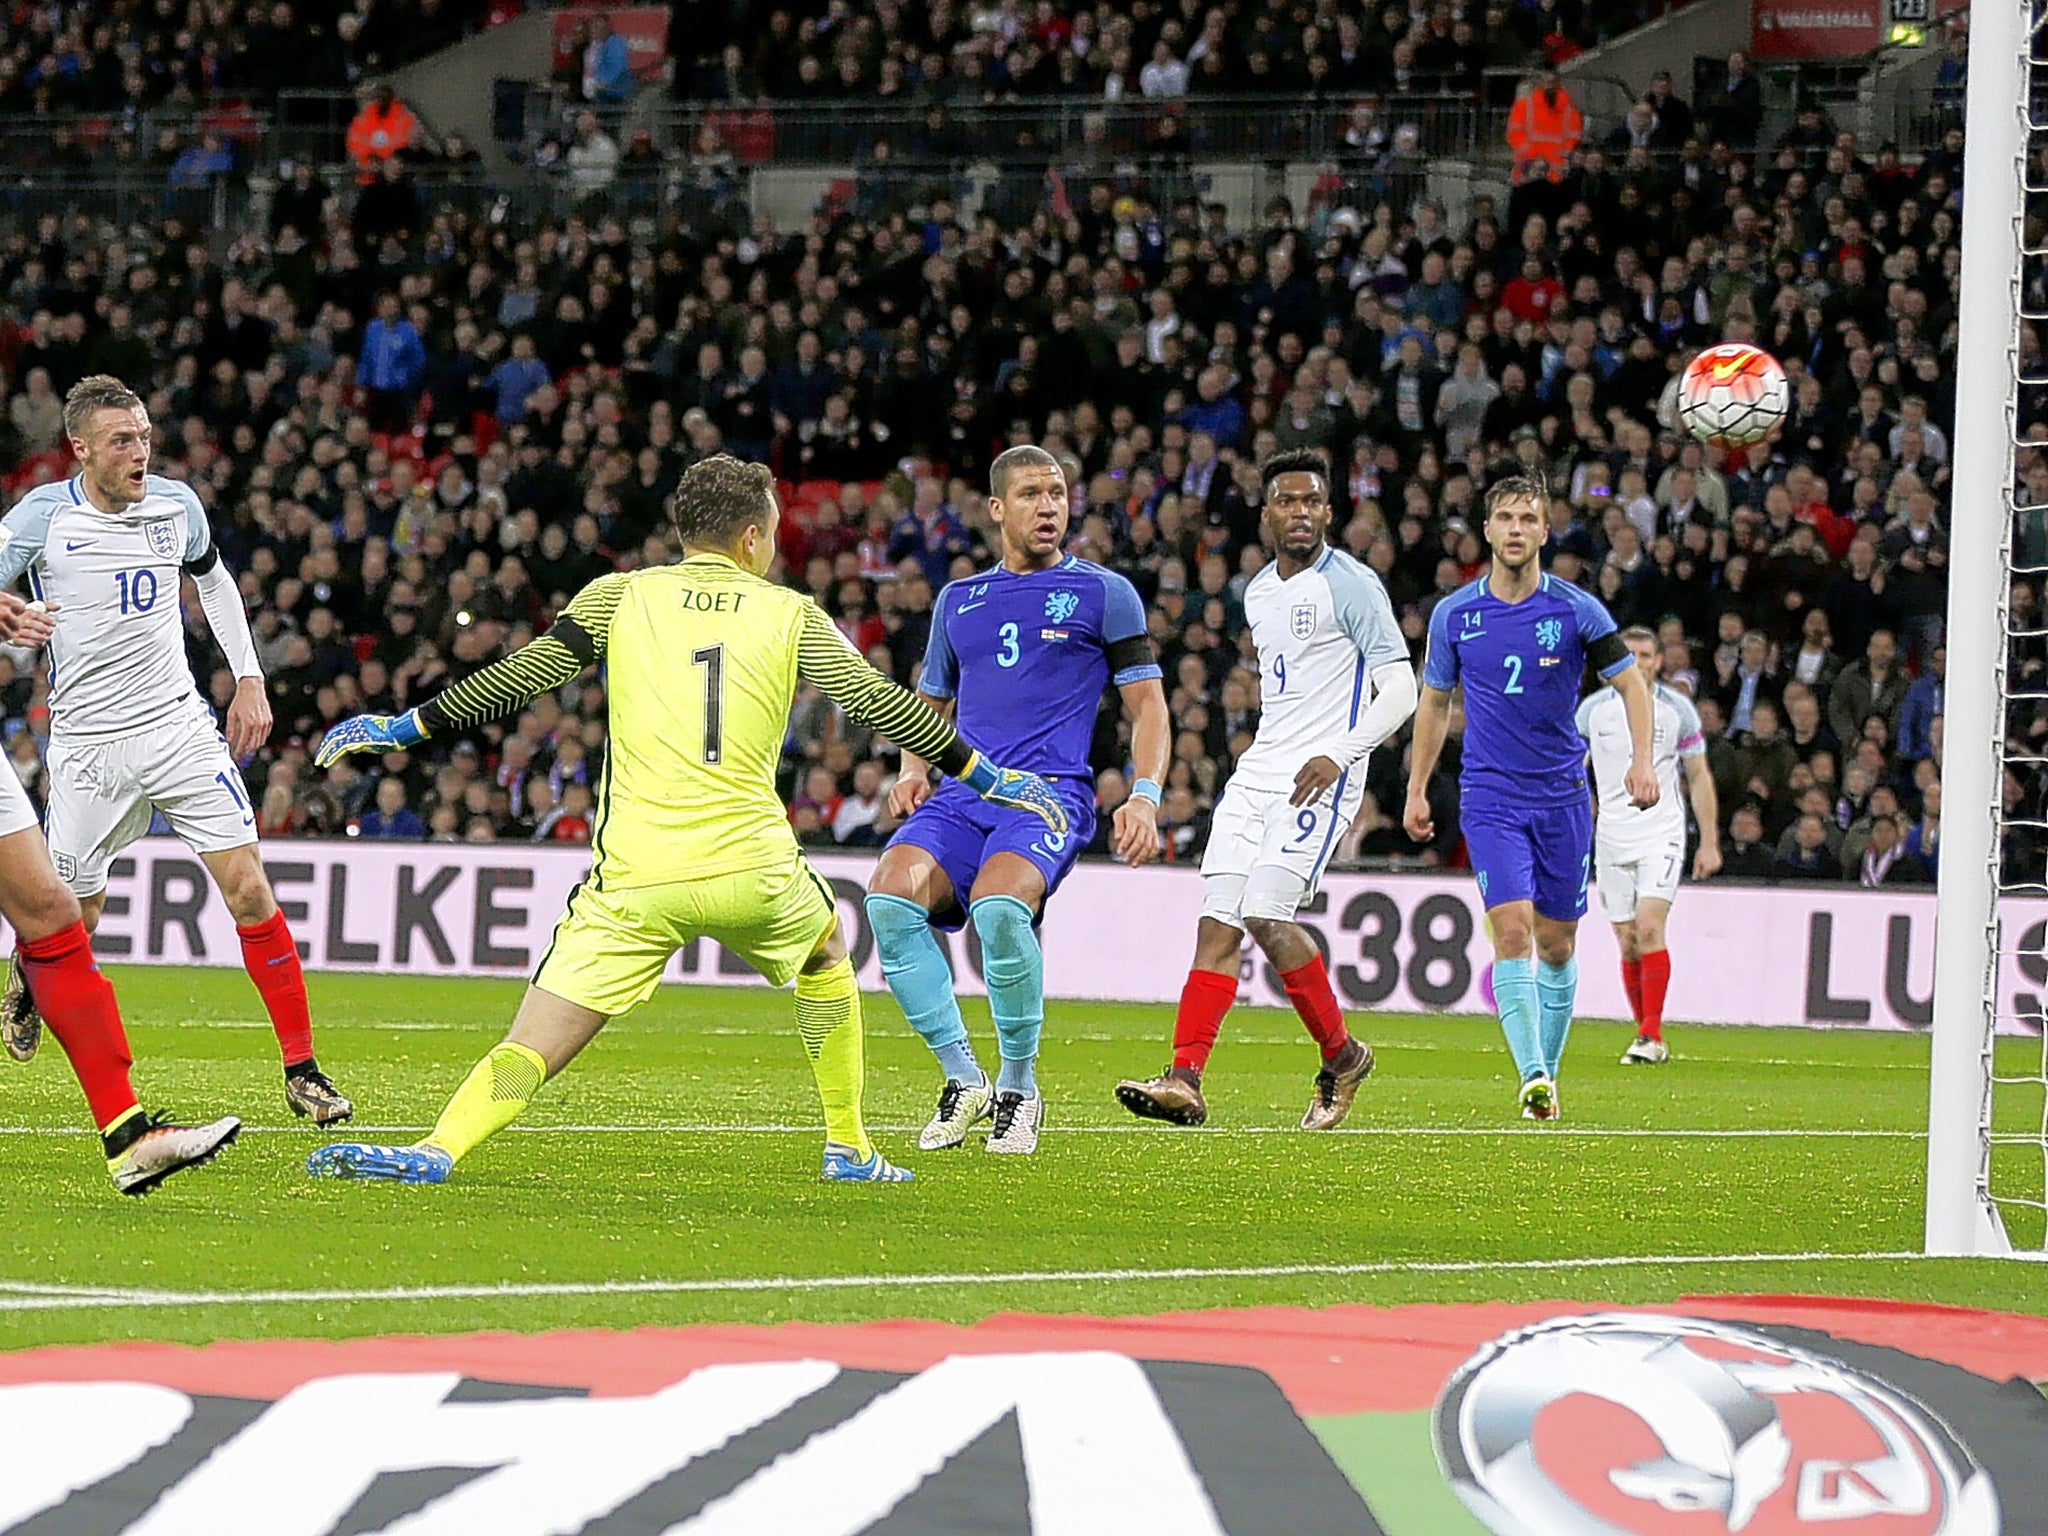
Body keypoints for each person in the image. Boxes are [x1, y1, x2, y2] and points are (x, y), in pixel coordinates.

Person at [306, 455, 1067, 1186]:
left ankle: (441, 1145)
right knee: (827, 954)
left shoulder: (619, 596)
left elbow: (522, 676)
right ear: (749, 538)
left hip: (638, 876)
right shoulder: (791, 612)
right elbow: (880, 703)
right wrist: (988, 777)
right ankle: (849, 1145)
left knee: (534, 1038)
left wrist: (405, 726)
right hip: (754, 868)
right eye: (771, 532)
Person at [0, 376, 351, 1128]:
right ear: (82, 448)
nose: (140, 452)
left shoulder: (175, 505)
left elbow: (215, 583)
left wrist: (249, 679)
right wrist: (8, 620)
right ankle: (30, 975)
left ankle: (303, 1070)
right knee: (76, 915)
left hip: (177, 727)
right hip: (88, 747)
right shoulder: (39, 519)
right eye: (122, 440)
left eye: (146, 435)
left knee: (250, 890)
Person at [865, 445, 1170, 1156]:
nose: (1050, 506)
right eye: (1032, 494)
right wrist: (913, 767)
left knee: (1002, 912)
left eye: (1058, 493)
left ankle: (1020, 1087)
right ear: (998, 509)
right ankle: (962, 1076)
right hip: (962, 796)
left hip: (1047, 798)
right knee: (886, 899)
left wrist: (1146, 797)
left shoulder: (1104, 592)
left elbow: (1148, 707)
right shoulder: (958, 601)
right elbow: (929, 700)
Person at [1116, 448, 1417, 1130]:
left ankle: (1341, 1056)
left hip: (1324, 776)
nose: (1300, 513)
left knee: (1265, 912)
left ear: (1330, 513)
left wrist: (1340, 755)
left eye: (1312, 501)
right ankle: (1185, 1079)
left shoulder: (1354, 584)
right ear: (1267, 515)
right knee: (1217, 919)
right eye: (1288, 501)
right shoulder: (1258, 590)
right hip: (1261, 772)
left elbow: (1401, 688)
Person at [1404, 474, 1657, 1121]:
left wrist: (1640, 764)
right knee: (1510, 932)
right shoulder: (1456, 614)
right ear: (1487, 531)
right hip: (1490, 797)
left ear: (1545, 532)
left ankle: (1547, 1068)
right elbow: (1435, 701)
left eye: (1528, 519)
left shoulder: (1576, 610)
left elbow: (1632, 686)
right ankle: (1534, 1074)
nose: (1516, 529)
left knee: (1558, 944)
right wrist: (1417, 788)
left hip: (1563, 798)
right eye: (1505, 518)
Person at [1575, 626, 1721, 1066]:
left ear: (1659, 661)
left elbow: (1698, 776)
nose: (1637, 662)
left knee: (1649, 928)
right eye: (1629, 654)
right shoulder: (1591, 712)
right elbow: (1571, 771)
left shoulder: (1679, 711)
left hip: (1662, 831)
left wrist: (1709, 841)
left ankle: (1649, 1032)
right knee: (1627, 941)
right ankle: (1648, 1037)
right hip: (1611, 835)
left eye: (1645, 655)